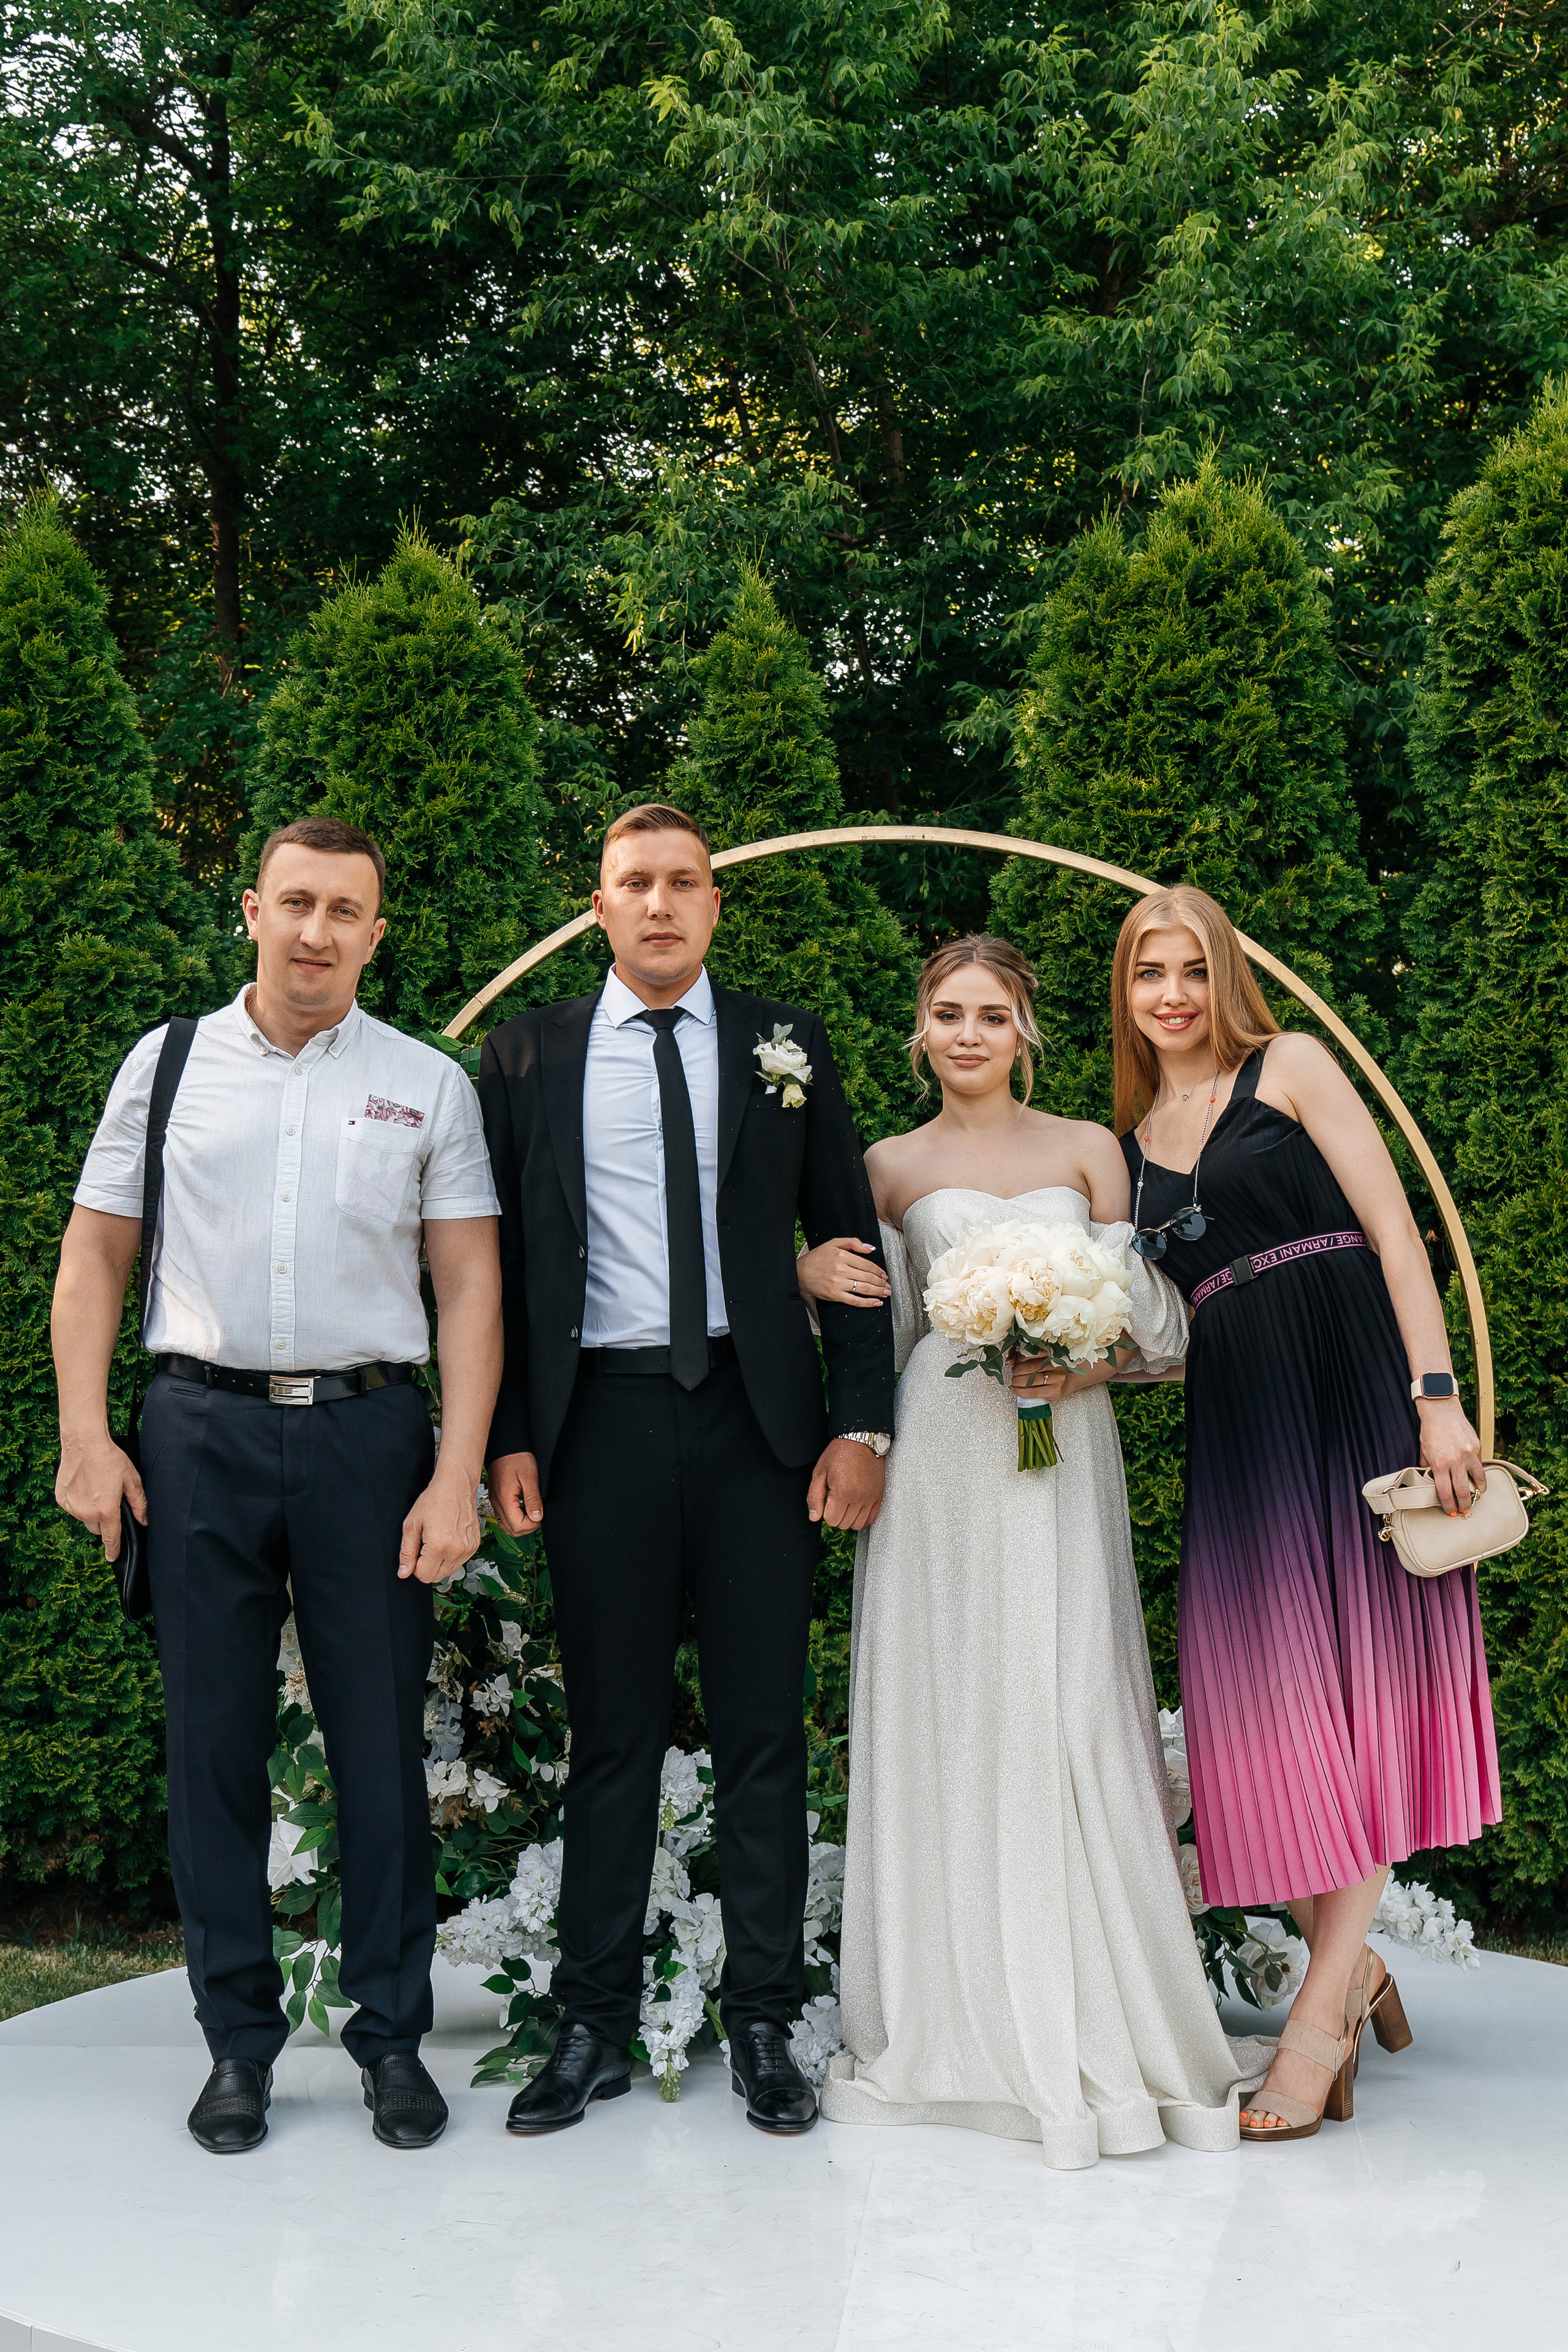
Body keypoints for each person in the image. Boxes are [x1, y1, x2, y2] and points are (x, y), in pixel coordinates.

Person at [53, 816, 503, 2157]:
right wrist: (89, 1435)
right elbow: (94, 1259)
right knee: (212, 1756)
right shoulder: (167, 1064)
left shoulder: (428, 1083)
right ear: (251, 908)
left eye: (344, 911)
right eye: (295, 903)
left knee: (378, 1758)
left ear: (377, 930)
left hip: (372, 1443)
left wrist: (457, 1472)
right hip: (199, 1435)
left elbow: (470, 1284)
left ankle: (388, 2042)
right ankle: (236, 2045)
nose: (316, 931)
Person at [805, 935, 1272, 2169]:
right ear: (919, 1031)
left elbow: (1158, 1319)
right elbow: (885, 1326)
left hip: (1065, 1446)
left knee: (1065, 1702)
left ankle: (1094, 2003)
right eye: (947, 1013)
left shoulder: (1085, 1149)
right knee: (952, 1707)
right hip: (941, 1456)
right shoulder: (886, 1166)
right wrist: (810, 1280)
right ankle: (952, 2016)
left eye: (991, 1014)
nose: (968, 1033)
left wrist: (1083, 1357)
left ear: (1026, 1031)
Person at [480, 802, 894, 2138]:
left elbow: (844, 1236)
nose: (659, 905)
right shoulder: (528, 1056)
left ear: (715, 904)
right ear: (595, 904)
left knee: (765, 1734)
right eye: (632, 883)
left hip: (756, 1430)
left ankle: (765, 2015)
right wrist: (502, 1437)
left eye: (683, 883)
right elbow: (492, 1272)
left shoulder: (783, 1044)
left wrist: (861, 1423)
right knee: (611, 1740)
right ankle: (590, 2021)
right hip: (596, 1425)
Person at [1112, 884, 1499, 2142]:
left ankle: (1318, 2019)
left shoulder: (1289, 1064)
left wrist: (1434, 1397)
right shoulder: (1127, 1141)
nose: (1169, 993)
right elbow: (1171, 1328)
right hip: (1240, 1425)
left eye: (1188, 969)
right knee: (1265, 1720)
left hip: (1351, 1394)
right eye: (1145, 974)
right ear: (1121, 994)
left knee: (1358, 1683)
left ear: (1220, 973)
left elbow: (1392, 1232)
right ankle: (1357, 1969)